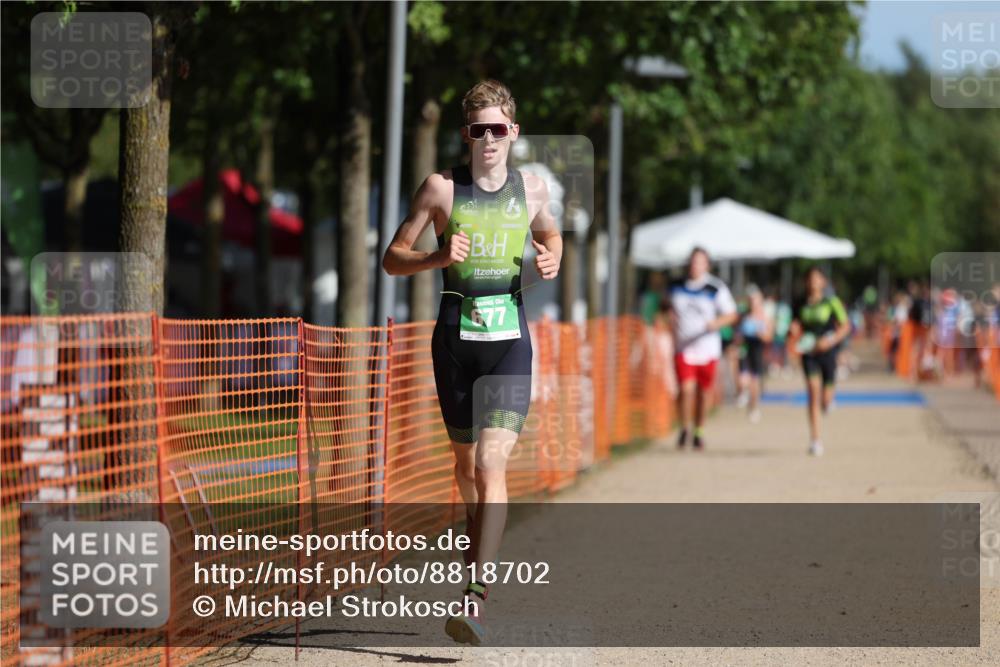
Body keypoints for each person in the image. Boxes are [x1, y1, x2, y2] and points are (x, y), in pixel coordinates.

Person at [382, 80, 561, 646]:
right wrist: (437, 255)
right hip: (455, 344)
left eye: (498, 129)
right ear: (466, 135)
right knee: (465, 471)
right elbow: (392, 259)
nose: (488, 139)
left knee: (490, 466)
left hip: (510, 343)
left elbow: (551, 236)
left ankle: (475, 597)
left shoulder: (531, 189)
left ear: (514, 132)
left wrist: (552, 256)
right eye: (478, 130)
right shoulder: (440, 189)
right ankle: (475, 544)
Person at [666, 247, 738, 450]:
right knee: (686, 389)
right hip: (684, 347)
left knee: (703, 393)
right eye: (692, 261)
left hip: (707, 348)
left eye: (700, 262)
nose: (695, 265)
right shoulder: (675, 286)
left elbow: (731, 314)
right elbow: (666, 309)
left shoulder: (715, 288)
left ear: (706, 265)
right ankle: (684, 427)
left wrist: (716, 324)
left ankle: (699, 430)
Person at [790, 267, 852, 457]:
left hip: (828, 352)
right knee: (812, 392)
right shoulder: (800, 303)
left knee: (825, 399)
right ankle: (815, 440)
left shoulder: (831, 302)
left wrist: (830, 340)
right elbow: (795, 324)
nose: (813, 283)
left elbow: (846, 326)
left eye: (817, 279)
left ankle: (828, 402)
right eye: (809, 279)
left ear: (823, 282)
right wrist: (793, 330)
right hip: (808, 352)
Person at [736, 284, 773, 423]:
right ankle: (743, 394)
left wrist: (760, 334)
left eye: (755, 300)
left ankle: (754, 407)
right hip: (745, 348)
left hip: (758, 350)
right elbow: (737, 333)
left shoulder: (764, 316)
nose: (753, 303)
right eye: (750, 300)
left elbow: (769, 336)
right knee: (742, 377)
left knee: (754, 381)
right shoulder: (743, 315)